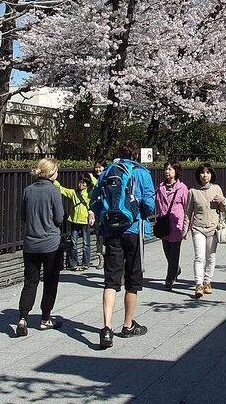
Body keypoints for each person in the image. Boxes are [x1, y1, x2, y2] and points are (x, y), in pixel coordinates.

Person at [88, 141, 155, 349]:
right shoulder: (142, 172)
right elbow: (149, 203)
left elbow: (95, 200)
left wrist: (102, 217)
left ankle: (106, 328)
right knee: (132, 279)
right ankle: (127, 325)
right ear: (135, 154)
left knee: (111, 280)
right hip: (132, 229)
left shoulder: (107, 171)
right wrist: (141, 215)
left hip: (111, 231)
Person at [16, 159, 65, 336]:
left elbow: (23, 215)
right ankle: (45, 318)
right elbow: (59, 218)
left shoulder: (28, 190)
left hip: (30, 243)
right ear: (52, 172)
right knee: (50, 281)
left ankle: (22, 317)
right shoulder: (54, 191)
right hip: (50, 243)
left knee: (30, 282)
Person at [182, 163, 226, 299]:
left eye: (207, 173)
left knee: (211, 256)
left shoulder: (217, 188)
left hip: (213, 227)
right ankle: (198, 284)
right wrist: (184, 230)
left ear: (211, 175)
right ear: (198, 175)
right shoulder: (193, 191)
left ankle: (208, 282)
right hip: (198, 228)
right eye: (202, 173)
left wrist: (223, 200)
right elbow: (188, 212)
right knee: (199, 256)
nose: (205, 175)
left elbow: (224, 210)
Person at [156, 161, 188, 290]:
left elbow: (187, 206)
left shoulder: (182, 188)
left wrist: (187, 225)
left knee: (174, 253)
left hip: (177, 225)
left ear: (176, 171)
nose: (167, 171)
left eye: (170, 169)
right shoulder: (160, 188)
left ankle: (169, 279)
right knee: (167, 252)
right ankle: (175, 269)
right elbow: (154, 202)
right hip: (164, 225)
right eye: (166, 169)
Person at [54, 174, 91, 270]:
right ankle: (73, 263)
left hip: (85, 220)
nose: (80, 184)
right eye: (79, 182)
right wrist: (54, 181)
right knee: (73, 242)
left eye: (82, 183)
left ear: (87, 185)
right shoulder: (74, 193)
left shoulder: (89, 194)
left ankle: (85, 262)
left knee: (86, 243)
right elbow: (62, 189)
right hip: (74, 219)